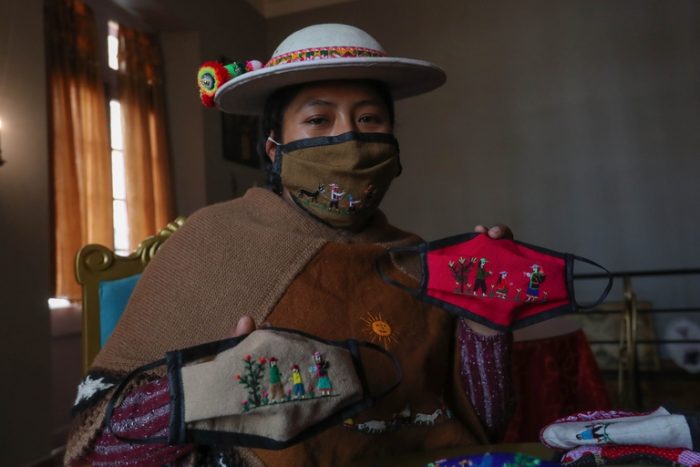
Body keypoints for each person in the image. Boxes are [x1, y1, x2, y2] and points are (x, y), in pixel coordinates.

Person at [64, 23, 517, 466]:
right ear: (273, 148)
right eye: (319, 120)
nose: (352, 141)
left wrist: (487, 320)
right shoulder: (209, 242)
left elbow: (478, 430)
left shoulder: (418, 259)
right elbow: (102, 447)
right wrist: (220, 387)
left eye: (369, 119)